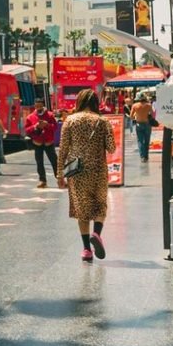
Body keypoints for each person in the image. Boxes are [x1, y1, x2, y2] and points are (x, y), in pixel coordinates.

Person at [56, 88, 115, 262]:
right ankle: (96, 233)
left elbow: (63, 149)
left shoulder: (70, 121)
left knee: (81, 210)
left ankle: (86, 250)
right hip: (98, 169)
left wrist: (60, 174)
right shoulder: (102, 121)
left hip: (77, 172)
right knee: (99, 206)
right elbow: (111, 148)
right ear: (95, 102)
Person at [24, 103, 59, 188]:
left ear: (43, 106)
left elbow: (55, 127)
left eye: (40, 106)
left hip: (48, 142)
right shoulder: (30, 117)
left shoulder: (50, 115)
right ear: (35, 106)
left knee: (54, 161)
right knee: (39, 162)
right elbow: (27, 130)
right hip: (37, 142)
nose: (39, 108)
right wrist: (35, 126)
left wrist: (47, 125)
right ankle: (42, 181)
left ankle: (60, 179)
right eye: (37, 106)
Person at [130, 93, 156, 162]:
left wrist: (136, 117)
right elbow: (153, 115)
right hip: (147, 124)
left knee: (140, 141)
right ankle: (146, 156)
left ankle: (142, 156)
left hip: (139, 124)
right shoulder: (149, 105)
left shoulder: (135, 105)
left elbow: (131, 116)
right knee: (147, 141)